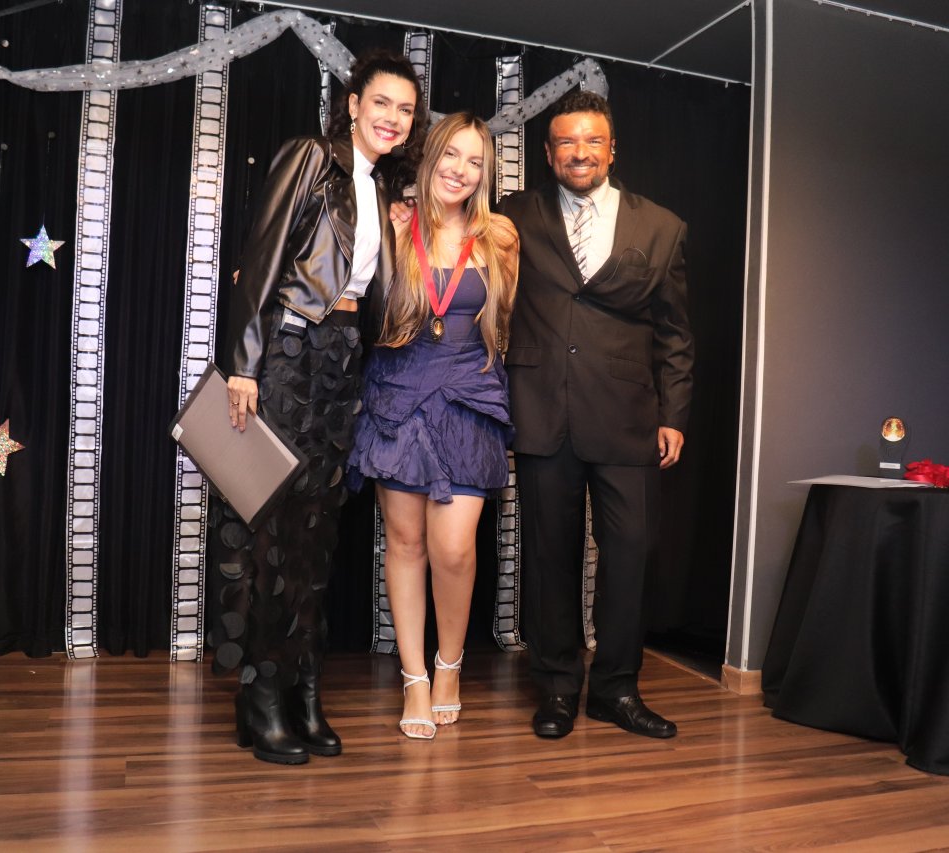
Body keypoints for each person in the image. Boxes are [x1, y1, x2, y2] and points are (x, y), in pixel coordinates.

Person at [207, 50, 427, 765]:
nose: (393, 118)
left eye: (405, 109)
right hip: (287, 354)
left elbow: (377, 298)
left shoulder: (380, 189)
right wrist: (243, 365)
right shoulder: (310, 157)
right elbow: (261, 257)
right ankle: (261, 697)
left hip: (340, 361)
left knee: (315, 537)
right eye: (381, 102)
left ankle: (301, 690)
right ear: (353, 104)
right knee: (269, 533)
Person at [499, 90, 693, 739]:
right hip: (541, 410)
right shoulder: (512, 216)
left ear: (612, 150)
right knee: (549, 558)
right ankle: (557, 687)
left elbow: (675, 332)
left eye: (591, 141)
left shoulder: (662, 227)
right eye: (565, 142)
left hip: (630, 417)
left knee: (631, 555)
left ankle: (616, 688)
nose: (578, 152)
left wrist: (675, 413)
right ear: (548, 152)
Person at [348, 112, 519, 740]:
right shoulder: (394, 224)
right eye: (451, 155)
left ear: (485, 174)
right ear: (429, 157)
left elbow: (506, 324)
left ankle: (451, 664)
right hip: (399, 395)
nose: (460, 170)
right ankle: (415, 677)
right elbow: (352, 294)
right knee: (405, 543)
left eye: (475, 161)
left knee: (454, 548)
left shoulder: (499, 236)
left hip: (469, 399)